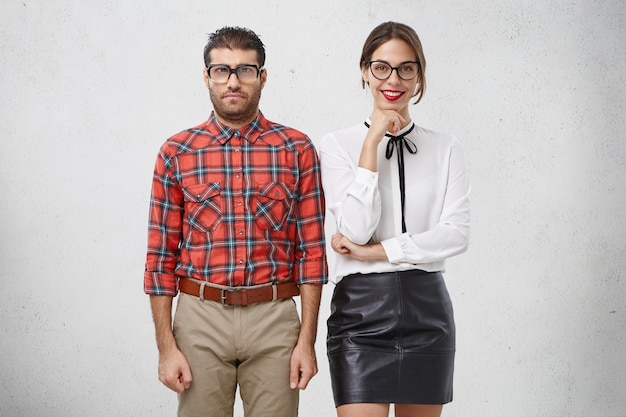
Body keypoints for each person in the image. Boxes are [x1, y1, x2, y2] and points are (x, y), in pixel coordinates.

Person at [143, 26, 327, 417]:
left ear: (262, 77)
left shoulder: (296, 149)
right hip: (200, 317)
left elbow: (311, 252)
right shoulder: (177, 153)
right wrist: (166, 347)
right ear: (206, 76)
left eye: (245, 70)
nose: (233, 80)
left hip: (275, 317)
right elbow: (160, 258)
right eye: (221, 70)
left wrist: (306, 342)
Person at [318, 22, 470, 417]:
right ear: (365, 70)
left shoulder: (446, 147)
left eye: (407, 68)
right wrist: (372, 144)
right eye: (381, 67)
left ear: (420, 74)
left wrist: (376, 253)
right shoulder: (337, 145)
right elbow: (354, 229)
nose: (394, 79)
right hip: (360, 315)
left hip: (427, 311)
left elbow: (455, 235)